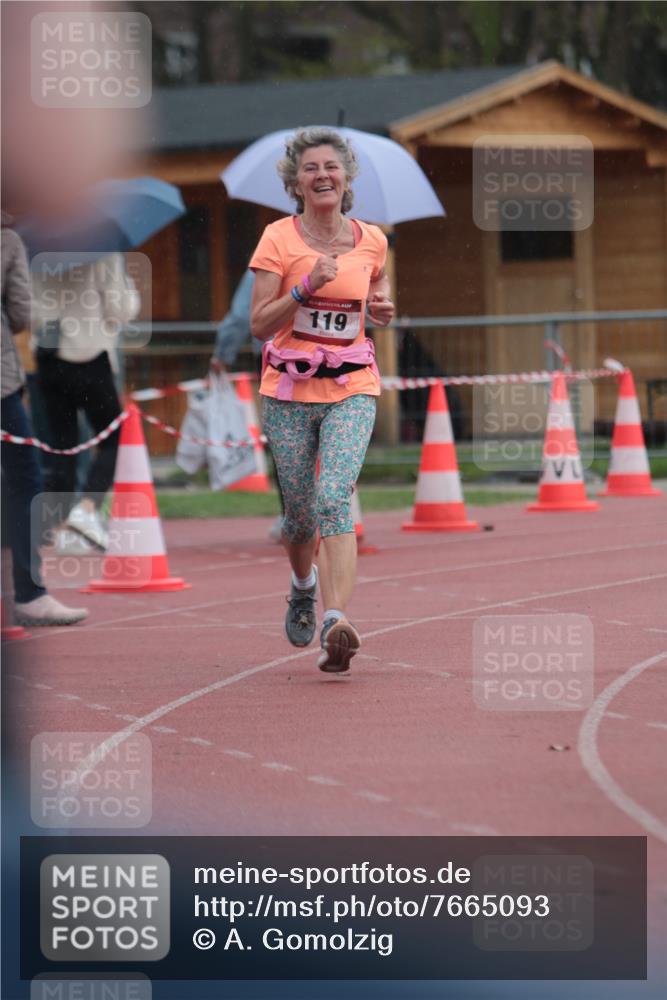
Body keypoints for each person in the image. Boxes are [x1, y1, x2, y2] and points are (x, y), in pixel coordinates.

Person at [249, 126, 395, 673]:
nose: (322, 176)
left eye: (331, 167)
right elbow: (259, 325)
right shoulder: (277, 239)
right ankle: (303, 584)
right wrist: (305, 287)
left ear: (347, 177)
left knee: (334, 495)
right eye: (310, 169)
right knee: (300, 517)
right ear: (296, 182)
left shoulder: (373, 240)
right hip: (287, 389)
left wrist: (378, 311)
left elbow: (371, 299)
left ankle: (337, 621)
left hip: (351, 385)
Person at [1, 216, 88, 626]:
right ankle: (30, 592)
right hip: (4, 384)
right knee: (25, 480)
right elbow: (20, 313)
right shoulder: (8, 239)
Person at [31, 252, 140, 549]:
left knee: (62, 444)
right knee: (115, 437)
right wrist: (128, 287)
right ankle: (87, 508)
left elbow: (31, 312)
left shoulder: (38, 247)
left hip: (50, 356)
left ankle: (63, 526)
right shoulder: (102, 249)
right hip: (91, 356)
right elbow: (120, 310)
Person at [210, 268, 283, 542]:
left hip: (278, 359)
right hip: (334, 359)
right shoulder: (340, 254)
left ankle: (293, 515)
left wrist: (222, 354)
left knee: (286, 441)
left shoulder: (268, 258)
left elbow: (242, 315)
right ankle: (337, 514)